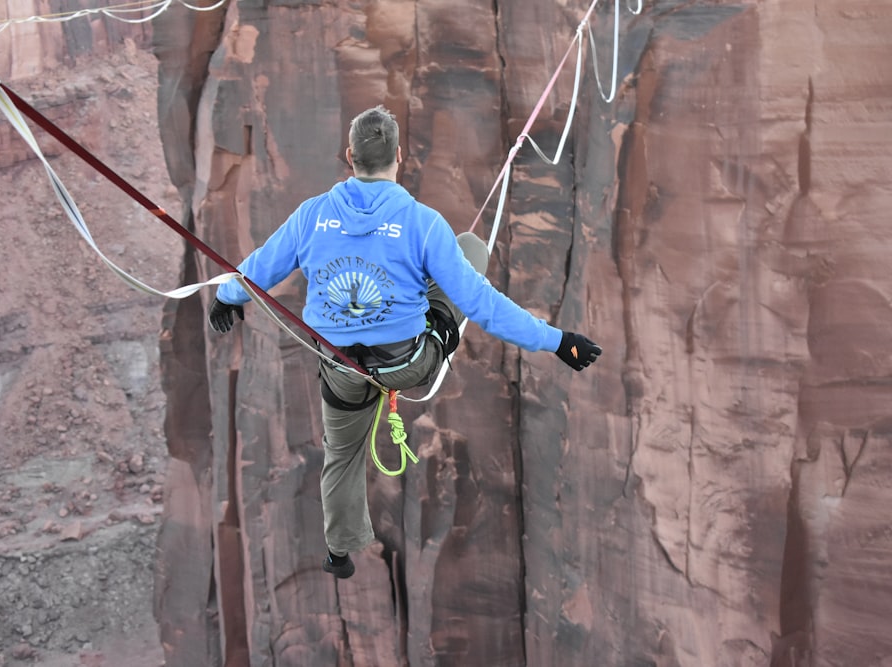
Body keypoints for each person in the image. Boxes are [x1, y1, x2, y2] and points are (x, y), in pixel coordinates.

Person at [208, 106, 601, 579]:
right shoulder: (423, 223)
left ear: (350, 156)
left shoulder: (311, 216)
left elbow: (259, 269)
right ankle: (433, 336)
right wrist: (558, 341)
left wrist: (226, 297)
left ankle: (339, 549)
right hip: (410, 364)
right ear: (399, 155)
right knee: (469, 250)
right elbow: (483, 305)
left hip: (340, 368)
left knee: (342, 454)